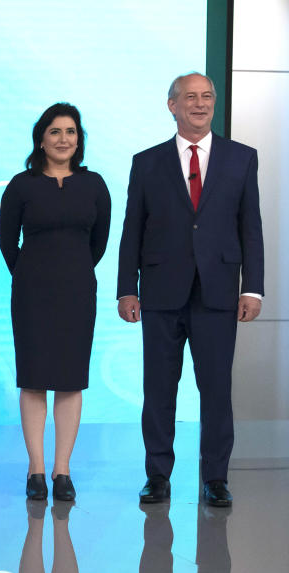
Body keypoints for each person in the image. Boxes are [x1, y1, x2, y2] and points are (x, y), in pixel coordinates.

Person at [117, 73, 264, 508]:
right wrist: (127, 288)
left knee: (216, 390)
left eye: (207, 97)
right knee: (159, 389)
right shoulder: (147, 162)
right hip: (161, 291)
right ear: (172, 105)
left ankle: (215, 478)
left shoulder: (241, 158)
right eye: (190, 97)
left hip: (219, 291)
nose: (200, 104)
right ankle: (157, 476)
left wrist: (252, 289)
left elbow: (250, 227)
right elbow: (132, 231)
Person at [0, 103, 111, 502]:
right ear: (41, 139)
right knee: (33, 379)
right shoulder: (21, 185)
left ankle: (62, 470)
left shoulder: (94, 184)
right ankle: (36, 469)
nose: (64, 139)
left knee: (69, 380)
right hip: (31, 294)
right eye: (55, 132)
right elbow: (9, 244)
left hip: (78, 293)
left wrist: (71, 271)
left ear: (78, 139)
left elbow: (98, 242)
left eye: (71, 132)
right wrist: (33, 273)